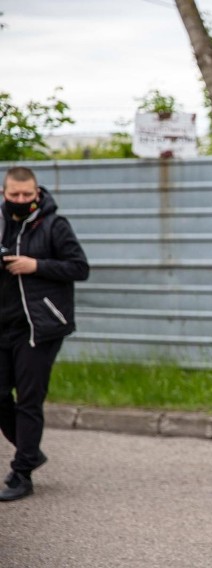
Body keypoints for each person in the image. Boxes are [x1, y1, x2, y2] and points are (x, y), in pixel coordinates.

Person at [0, 166, 89, 502]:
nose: (21, 200)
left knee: (29, 399)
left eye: (27, 194)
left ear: (37, 193)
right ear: (3, 193)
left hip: (40, 327)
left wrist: (35, 265)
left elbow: (80, 267)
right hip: (3, 325)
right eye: (14, 195)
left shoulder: (54, 224)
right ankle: (31, 451)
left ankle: (21, 473)